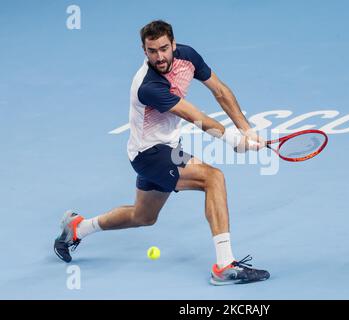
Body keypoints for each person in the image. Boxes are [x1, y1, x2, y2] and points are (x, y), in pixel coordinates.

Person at [54, 20, 270, 285]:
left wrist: (246, 129)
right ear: (144, 51)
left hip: (163, 148)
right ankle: (224, 265)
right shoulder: (148, 86)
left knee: (143, 216)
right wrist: (232, 140)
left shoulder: (188, 57)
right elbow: (194, 116)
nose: (159, 56)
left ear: (174, 45)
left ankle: (78, 228)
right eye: (152, 50)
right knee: (213, 178)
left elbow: (221, 91)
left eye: (164, 48)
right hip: (150, 154)